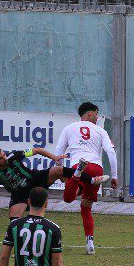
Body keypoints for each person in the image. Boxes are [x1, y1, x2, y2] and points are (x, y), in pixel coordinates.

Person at [0, 146, 95, 222]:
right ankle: (18, 248)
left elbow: (37, 150)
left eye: (4, 155)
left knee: (58, 170)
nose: (5, 158)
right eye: (1, 158)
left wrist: (54, 157)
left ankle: (91, 180)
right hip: (20, 194)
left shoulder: (13, 156)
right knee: (14, 220)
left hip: (35, 179)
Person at [54, 102, 116, 255]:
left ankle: (77, 178)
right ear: (90, 114)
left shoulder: (69, 128)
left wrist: (60, 171)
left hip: (78, 166)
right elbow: (111, 152)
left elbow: (58, 152)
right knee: (86, 207)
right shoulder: (100, 131)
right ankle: (90, 244)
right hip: (96, 168)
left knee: (68, 198)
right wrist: (114, 176)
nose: (97, 117)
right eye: (96, 114)